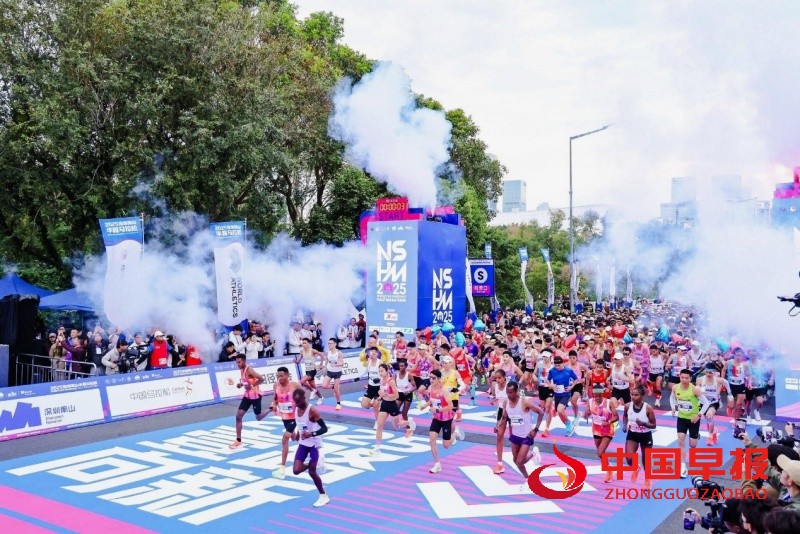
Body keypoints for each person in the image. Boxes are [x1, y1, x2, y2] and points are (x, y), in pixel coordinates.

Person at [498, 381, 544, 491]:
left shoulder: (524, 402)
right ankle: (528, 479)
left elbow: (541, 412)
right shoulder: (506, 402)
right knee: (516, 461)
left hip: (526, 436)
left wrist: (535, 430)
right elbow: (504, 416)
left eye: (511, 392)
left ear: (516, 391)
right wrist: (498, 425)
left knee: (519, 461)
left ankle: (533, 454)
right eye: (507, 392)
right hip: (515, 435)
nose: (509, 395)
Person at [291, 388, 330, 507]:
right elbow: (300, 425)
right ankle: (313, 464)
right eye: (295, 402)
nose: (297, 404)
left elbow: (324, 428)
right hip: (303, 443)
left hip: (314, 444)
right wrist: (297, 434)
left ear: (304, 398)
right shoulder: (296, 409)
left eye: (299, 401)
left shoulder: (312, 410)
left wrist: (311, 434)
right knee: (296, 470)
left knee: (312, 472)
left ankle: (323, 496)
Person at [671, 368, 711, 478]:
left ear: (690, 378)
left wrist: (699, 415)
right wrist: (673, 408)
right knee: (680, 440)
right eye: (682, 377)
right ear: (680, 377)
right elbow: (672, 398)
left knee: (693, 445)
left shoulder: (695, 389)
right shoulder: (675, 387)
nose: (684, 380)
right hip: (681, 418)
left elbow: (706, 403)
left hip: (693, 419)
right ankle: (683, 466)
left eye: (686, 378)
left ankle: (696, 436)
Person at [228, 354, 269, 449]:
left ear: (244, 361)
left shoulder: (249, 369)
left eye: (239, 362)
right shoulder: (241, 369)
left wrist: (252, 386)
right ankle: (238, 440)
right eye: (236, 362)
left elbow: (261, 379)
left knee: (258, 417)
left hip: (255, 396)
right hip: (247, 396)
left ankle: (271, 408)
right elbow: (247, 381)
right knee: (238, 416)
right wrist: (241, 384)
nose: (237, 364)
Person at [370, 364, 411, 455]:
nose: (380, 373)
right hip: (384, 404)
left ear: (387, 371)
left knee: (396, 426)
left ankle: (409, 422)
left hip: (392, 405)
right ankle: (377, 448)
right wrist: (380, 397)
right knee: (379, 426)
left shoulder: (391, 381)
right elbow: (382, 392)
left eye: (382, 371)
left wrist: (386, 395)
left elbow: (396, 395)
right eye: (379, 371)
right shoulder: (381, 380)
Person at [622, 385, 656, 488]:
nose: (633, 397)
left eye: (636, 395)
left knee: (646, 460)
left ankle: (647, 479)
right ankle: (636, 467)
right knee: (629, 458)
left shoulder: (648, 408)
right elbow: (625, 416)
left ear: (642, 396)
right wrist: (624, 425)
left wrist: (644, 424)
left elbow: (654, 425)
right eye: (632, 394)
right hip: (632, 434)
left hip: (645, 435)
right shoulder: (627, 406)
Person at [271, 366, 301, 480]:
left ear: (287, 375)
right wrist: (274, 405)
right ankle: (304, 437)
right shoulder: (276, 385)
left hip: (294, 415)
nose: (279, 378)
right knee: (294, 438)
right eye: (278, 376)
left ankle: (282, 468)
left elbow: (303, 395)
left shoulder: (294, 385)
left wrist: (300, 405)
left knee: (285, 439)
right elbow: (275, 399)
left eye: (281, 376)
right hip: (284, 415)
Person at [584, 384, 618, 482]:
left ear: (603, 394)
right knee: (601, 454)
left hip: (608, 430)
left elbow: (616, 416)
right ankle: (610, 470)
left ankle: (609, 472)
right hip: (596, 430)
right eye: (596, 396)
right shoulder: (590, 402)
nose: (598, 398)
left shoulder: (609, 402)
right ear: (593, 395)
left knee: (600, 452)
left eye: (600, 395)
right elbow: (585, 416)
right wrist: (587, 414)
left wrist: (608, 422)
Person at [424, 369, 455, 473]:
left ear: (438, 379)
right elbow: (431, 399)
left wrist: (437, 410)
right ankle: (437, 464)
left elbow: (451, 406)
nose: (431, 380)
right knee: (432, 440)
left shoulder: (444, 391)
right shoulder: (431, 388)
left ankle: (455, 434)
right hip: (436, 419)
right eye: (430, 378)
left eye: (433, 378)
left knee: (446, 446)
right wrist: (425, 405)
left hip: (446, 419)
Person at [696, 363, 733, 445]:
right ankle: (714, 431)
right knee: (708, 419)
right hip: (703, 403)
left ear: (714, 372)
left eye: (710, 372)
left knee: (709, 415)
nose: (708, 374)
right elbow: (697, 390)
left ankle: (710, 437)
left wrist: (729, 393)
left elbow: (726, 382)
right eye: (707, 372)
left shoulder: (718, 380)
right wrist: (698, 390)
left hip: (713, 403)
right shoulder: (700, 380)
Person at [547, 355, 578, 436]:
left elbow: (576, 379)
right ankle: (567, 422)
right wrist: (550, 385)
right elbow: (548, 380)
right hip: (557, 394)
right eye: (556, 365)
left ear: (563, 363)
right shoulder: (552, 371)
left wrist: (571, 387)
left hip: (566, 394)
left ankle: (568, 424)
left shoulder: (568, 370)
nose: (557, 367)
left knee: (560, 410)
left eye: (559, 365)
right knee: (560, 412)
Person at [490, 368, 511, 474]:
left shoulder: (510, 386)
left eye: (499, 378)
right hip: (501, 411)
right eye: (496, 378)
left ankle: (531, 454)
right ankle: (500, 464)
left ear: (504, 378)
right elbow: (499, 402)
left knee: (515, 439)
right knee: (499, 436)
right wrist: (497, 422)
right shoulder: (495, 386)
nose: (497, 380)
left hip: (512, 412)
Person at [296, 338, 324, 405]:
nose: (303, 344)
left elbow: (322, 355)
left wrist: (321, 364)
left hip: (312, 370)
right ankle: (320, 397)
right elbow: (298, 362)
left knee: (302, 381)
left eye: (305, 343)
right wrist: (296, 361)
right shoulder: (302, 352)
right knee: (313, 386)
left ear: (308, 343)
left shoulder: (312, 350)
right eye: (303, 343)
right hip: (307, 370)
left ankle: (312, 390)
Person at [394, 359, 417, 436]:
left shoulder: (409, 375)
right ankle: (409, 422)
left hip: (407, 395)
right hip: (400, 394)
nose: (401, 367)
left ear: (406, 367)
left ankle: (408, 429)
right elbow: (394, 385)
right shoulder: (396, 375)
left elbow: (415, 387)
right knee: (395, 410)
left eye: (402, 366)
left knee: (404, 413)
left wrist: (409, 391)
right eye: (400, 366)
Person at [321, 338, 344, 410]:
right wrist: (324, 366)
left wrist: (336, 365)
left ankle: (338, 403)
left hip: (337, 372)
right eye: (328, 343)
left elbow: (342, 363)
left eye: (331, 343)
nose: (329, 345)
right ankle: (334, 386)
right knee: (324, 385)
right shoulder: (328, 352)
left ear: (335, 344)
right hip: (330, 372)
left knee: (336, 390)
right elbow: (326, 360)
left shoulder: (339, 353)